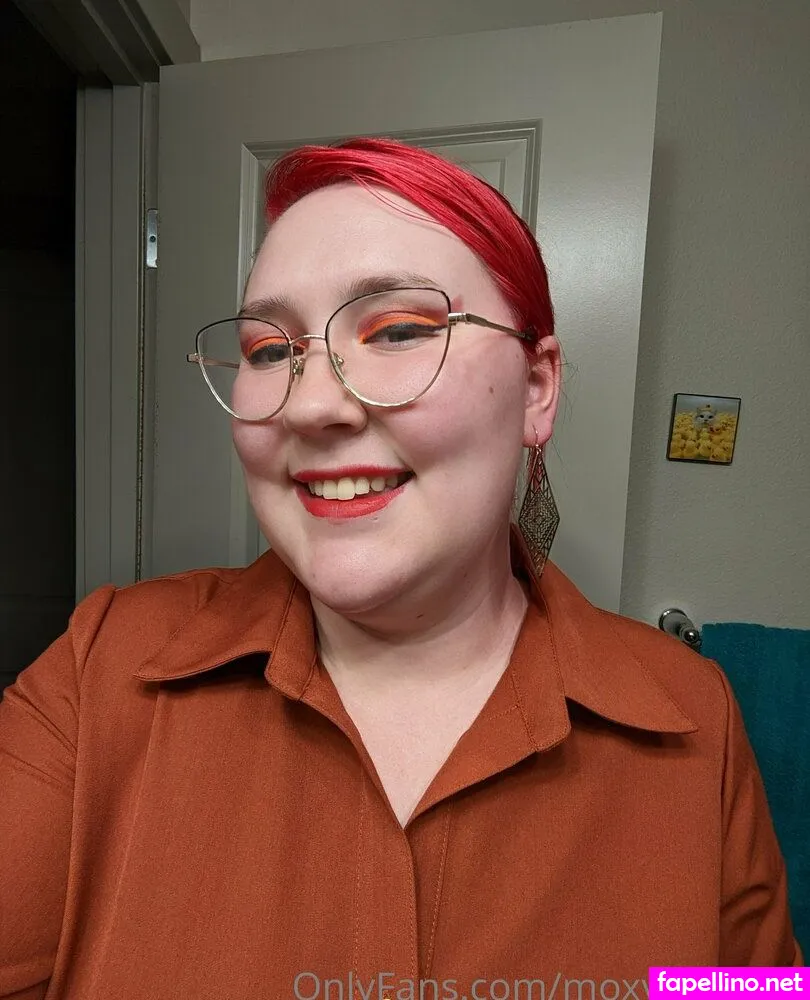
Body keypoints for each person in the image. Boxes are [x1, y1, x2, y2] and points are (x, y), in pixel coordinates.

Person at [0, 138, 802, 1000]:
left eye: (399, 331)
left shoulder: (695, 718)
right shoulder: (101, 671)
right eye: (269, 351)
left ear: (537, 388)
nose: (311, 403)